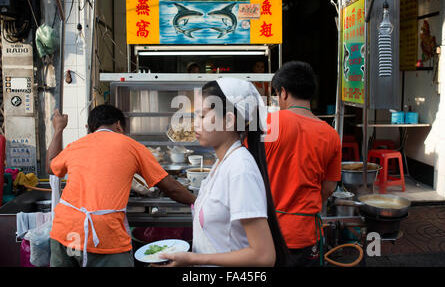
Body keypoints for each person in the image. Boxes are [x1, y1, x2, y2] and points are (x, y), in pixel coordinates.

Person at [156, 78, 291, 267]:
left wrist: (194, 259)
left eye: (202, 116)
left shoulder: (240, 169)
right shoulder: (223, 163)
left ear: (228, 120)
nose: (196, 123)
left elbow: (264, 256)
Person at [46, 104, 196, 267]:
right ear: (118, 124)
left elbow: (50, 167)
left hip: (66, 234)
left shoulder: (76, 145)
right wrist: (198, 201)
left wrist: (59, 129)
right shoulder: (131, 146)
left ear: (90, 128)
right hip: (104, 236)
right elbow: (171, 187)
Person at [265, 61, 341, 267]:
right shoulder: (331, 134)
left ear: (283, 92)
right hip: (308, 234)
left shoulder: (267, 124)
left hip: (268, 232)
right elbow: (328, 188)